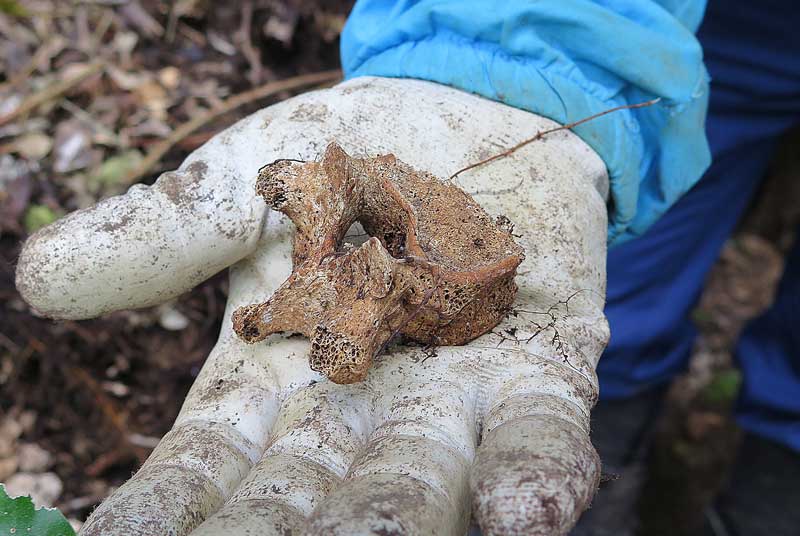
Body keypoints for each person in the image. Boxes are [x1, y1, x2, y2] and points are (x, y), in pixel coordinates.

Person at [13, 0, 797, 535]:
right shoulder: (360, 220)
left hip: (462, 261)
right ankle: (614, 423)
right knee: (633, 292)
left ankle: (780, 455)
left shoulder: (397, 273)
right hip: (667, 41)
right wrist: (508, 52)